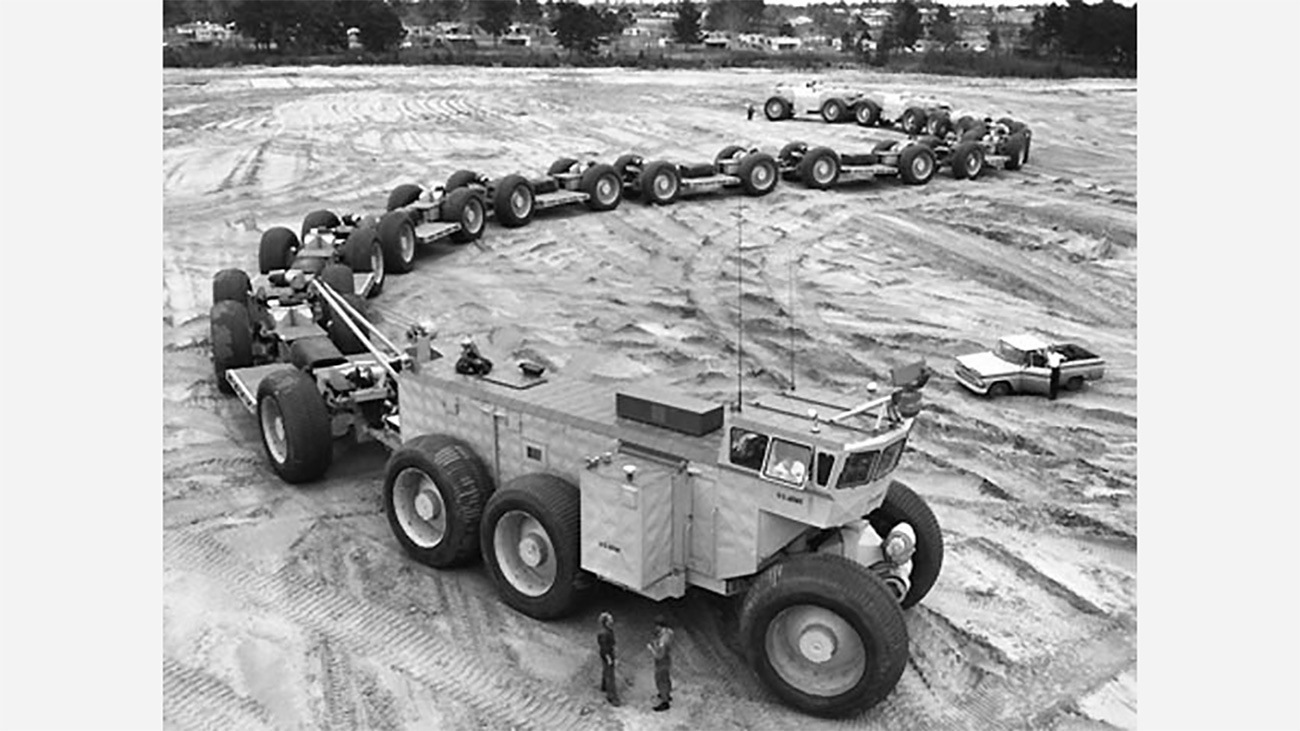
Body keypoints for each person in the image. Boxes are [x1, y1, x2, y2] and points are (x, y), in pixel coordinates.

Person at [647, 615, 674, 711]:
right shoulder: (669, 632)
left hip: (661, 662)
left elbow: (659, 656)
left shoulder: (663, 640)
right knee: (666, 678)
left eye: (656, 626)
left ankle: (665, 701)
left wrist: (652, 649)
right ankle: (667, 694)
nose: (655, 628)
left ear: (659, 626)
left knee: (660, 680)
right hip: (667, 660)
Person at [596, 612, 621, 706]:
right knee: (610, 676)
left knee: (606, 671)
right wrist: (611, 659)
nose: (612, 620)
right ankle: (612, 697)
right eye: (610, 619)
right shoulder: (605, 634)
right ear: (606, 622)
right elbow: (604, 648)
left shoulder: (607, 630)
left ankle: (604, 686)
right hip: (608, 655)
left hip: (608, 654)